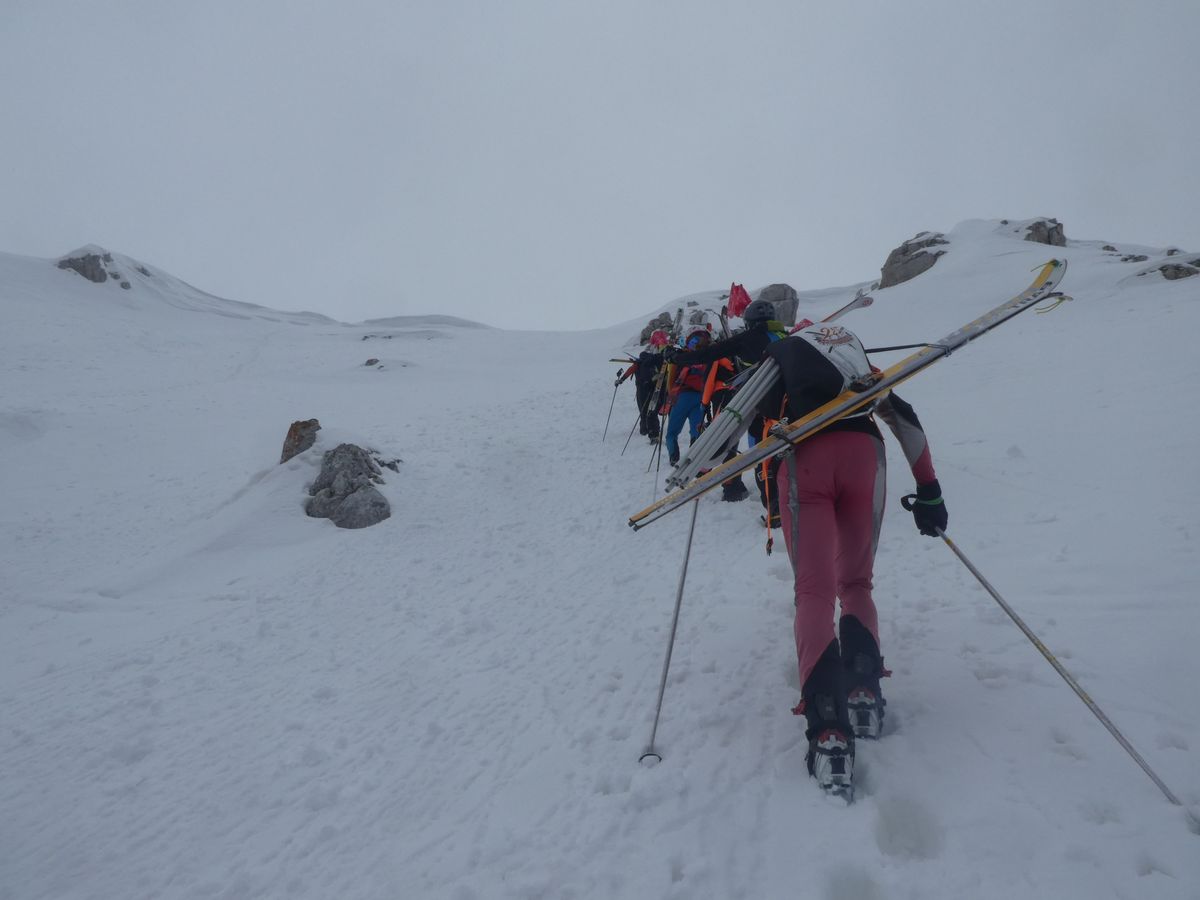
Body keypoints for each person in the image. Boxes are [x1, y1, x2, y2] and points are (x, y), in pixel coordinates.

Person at [754, 322, 948, 797]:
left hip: (806, 457)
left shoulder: (784, 361)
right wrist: (929, 489)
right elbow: (901, 416)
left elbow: (749, 411)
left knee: (813, 592)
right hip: (865, 454)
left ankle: (829, 731)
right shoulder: (854, 363)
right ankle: (863, 691)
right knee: (857, 582)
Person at [665, 299, 787, 503]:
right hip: (787, 405)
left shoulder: (749, 338)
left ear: (749, 322)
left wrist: (675, 358)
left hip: (755, 402)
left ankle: (766, 503)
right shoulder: (786, 336)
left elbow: (708, 355)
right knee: (778, 451)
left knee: (754, 450)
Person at [663, 326, 713, 467]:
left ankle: (674, 458)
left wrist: (670, 395)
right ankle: (695, 455)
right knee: (697, 429)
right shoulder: (708, 357)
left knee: (672, 432)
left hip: (681, 397)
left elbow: (671, 379)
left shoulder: (680, 357)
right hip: (700, 397)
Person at [616, 330, 669, 441]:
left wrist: (621, 380)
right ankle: (650, 429)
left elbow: (631, 370)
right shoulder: (655, 359)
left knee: (644, 409)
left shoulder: (641, 362)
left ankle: (645, 428)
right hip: (654, 386)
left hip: (642, 388)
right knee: (651, 409)